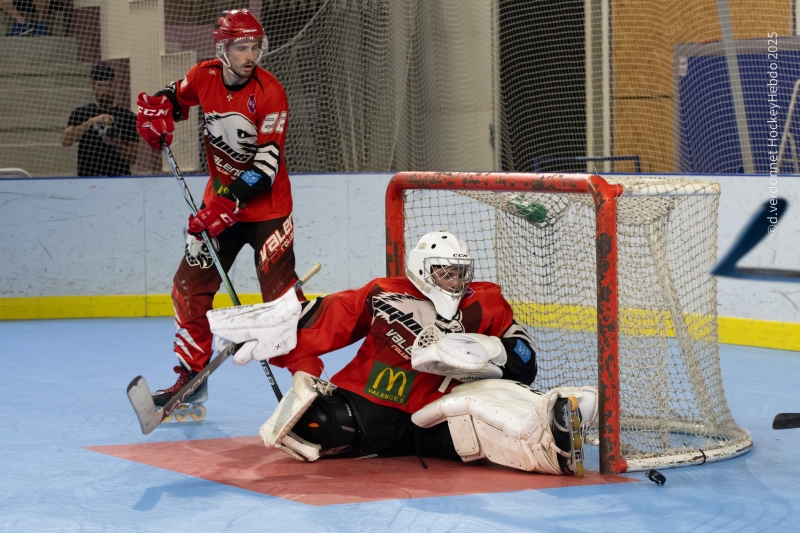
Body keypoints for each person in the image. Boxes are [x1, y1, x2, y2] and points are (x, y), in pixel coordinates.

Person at [209, 230, 600, 477]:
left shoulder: (487, 302)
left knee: (485, 430)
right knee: (311, 421)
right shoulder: (385, 293)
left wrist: (492, 349)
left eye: (460, 273)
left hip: (435, 413)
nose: (455, 281)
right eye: (445, 272)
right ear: (422, 269)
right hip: (371, 405)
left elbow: (526, 360)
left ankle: (555, 433)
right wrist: (286, 327)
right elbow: (331, 319)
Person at [136, 9, 301, 410]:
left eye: (255, 47)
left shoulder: (270, 92)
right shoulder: (204, 75)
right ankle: (191, 379)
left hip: (268, 212)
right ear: (222, 49)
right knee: (188, 287)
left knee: (283, 307)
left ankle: (306, 384)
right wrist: (156, 112)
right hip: (219, 206)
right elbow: (172, 96)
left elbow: (266, 167)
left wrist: (229, 202)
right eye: (242, 47)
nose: (250, 56)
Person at [61, 63, 139, 176]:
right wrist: (91, 122)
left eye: (109, 85)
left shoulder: (128, 116)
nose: (105, 90)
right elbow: (65, 141)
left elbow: (132, 159)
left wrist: (116, 143)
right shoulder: (81, 113)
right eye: (100, 85)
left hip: (119, 177)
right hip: (88, 177)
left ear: (115, 85)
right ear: (93, 86)